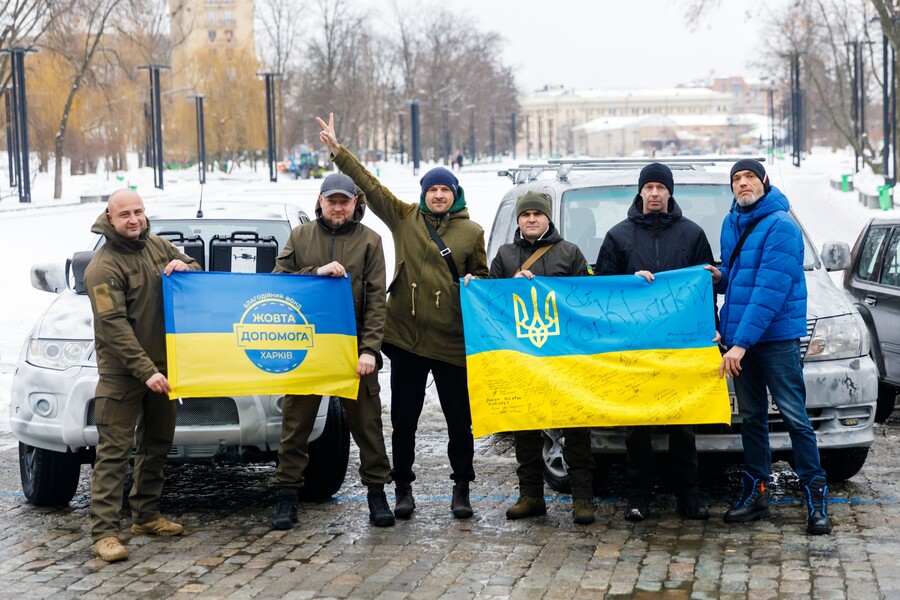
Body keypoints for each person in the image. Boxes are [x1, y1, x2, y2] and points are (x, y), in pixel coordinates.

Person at [317, 113, 489, 520]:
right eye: (433, 190)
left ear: (456, 194)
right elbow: (372, 189)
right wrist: (340, 154)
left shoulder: (472, 232)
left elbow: (482, 277)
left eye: (446, 190)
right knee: (404, 422)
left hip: (452, 341)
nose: (439, 196)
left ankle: (461, 487)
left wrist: (471, 282)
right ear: (425, 194)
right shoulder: (405, 217)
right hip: (407, 340)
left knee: (458, 423)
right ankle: (403, 489)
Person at [707, 159, 831, 535]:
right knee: (753, 419)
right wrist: (720, 277)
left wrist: (740, 344)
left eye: (749, 177)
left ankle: (815, 496)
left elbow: (768, 291)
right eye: (736, 179)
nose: (743, 184)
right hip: (740, 341)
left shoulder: (781, 226)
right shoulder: (732, 223)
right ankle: (757, 493)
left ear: (764, 181)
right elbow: (743, 279)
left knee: (795, 417)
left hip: (773, 339)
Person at [269, 173, 395, 530]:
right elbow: (279, 281)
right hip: (307, 349)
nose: (338, 207)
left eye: (344, 201)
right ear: (320, 201)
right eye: (331, 200)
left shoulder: (370, 241)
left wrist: (369, 349)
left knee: (368, 425)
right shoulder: (300, 236)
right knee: (295, 426)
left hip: (352, 350)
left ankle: (376, 493)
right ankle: (287, 495)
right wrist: (316, 272)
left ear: (355, 203)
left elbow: (376, 302)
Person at [84, 189, 200, 562]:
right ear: (110, 218)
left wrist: (186, 267)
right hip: (124, 375)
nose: (134, 220)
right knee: (113, 454)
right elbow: (114, 326)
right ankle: (104, 534)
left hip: (163, 370)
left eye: (138, 212)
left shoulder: (158, 246)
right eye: (125, 215)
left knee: (157, 443)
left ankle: (146, 516)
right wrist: (146, 370)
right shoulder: (102, 267)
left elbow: (196, 269)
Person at [595, 162, 714, 522]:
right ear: (640, 192)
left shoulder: (692, 235)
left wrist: (714, 331)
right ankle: (638, 496)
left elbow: (706, 288)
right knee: (638, 426)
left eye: (661, 187)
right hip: (636, 346)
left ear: (670, 193)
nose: (655, 193)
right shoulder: (618, 236)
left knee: (684, 422)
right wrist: (630, 281)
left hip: (681, 345)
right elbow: (602, 288)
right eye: (649, 187)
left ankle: (688, 495)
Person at [481, 191, 596, 524]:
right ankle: (530, 495)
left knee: (576, 430)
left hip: (564, 357)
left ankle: (582, 499)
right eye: (525, 214)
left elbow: (587, 298)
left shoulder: (569, 253)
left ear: (548, 218)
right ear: (518, 220)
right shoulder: (504, 256)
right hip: (523, 357)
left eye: (537, 214)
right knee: (526, 429)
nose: (531, 219)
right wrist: (505, 286)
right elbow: (488, 302)